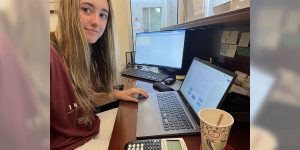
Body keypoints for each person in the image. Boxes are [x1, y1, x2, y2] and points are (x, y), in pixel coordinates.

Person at [50, 0, 148, 149]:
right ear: (66, 9)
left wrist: (117, 94)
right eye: (86, 9)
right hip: (66, 143)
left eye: (103, 15)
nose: (97, 22)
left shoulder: (82, 52)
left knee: (138, 127)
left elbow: (81, 101)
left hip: (87, 126)